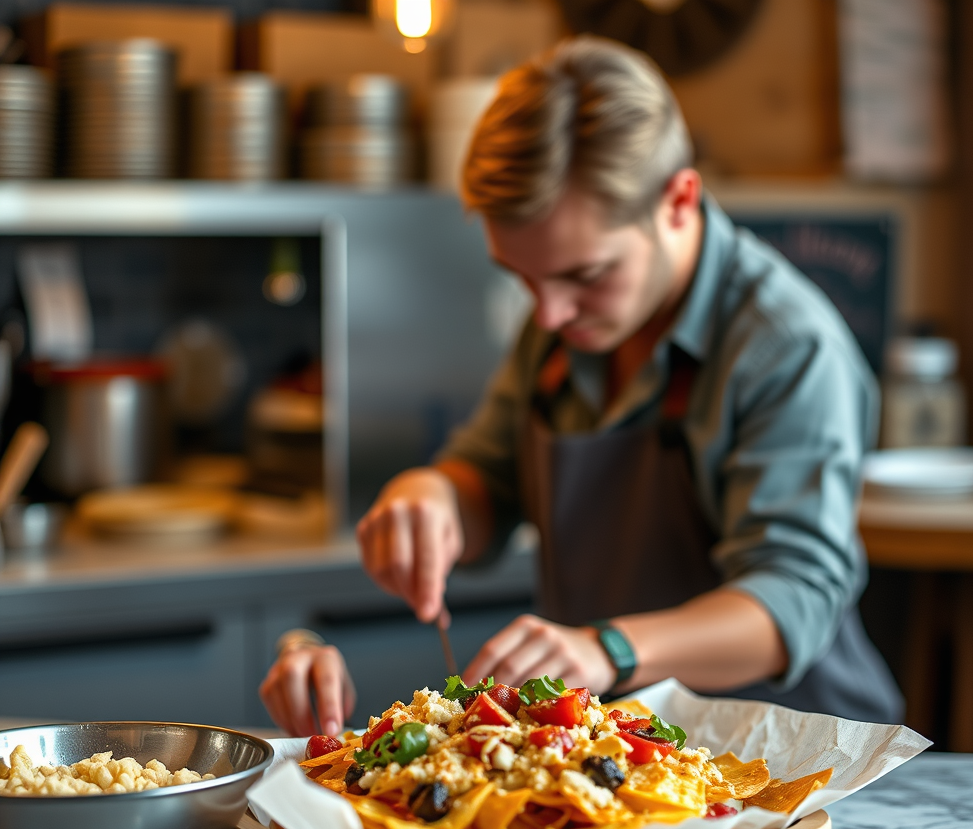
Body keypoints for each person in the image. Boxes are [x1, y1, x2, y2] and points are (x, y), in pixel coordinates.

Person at [260, 36, 903, 738]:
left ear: (679, 201)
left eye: (585, 275)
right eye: (524, 279)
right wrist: (435, 497)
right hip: (623, 753)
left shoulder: (786, 346)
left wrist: (608, 649)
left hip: (793, 759)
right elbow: (489, 479)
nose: (549, 314)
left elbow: (790, 602)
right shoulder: (566, 326)